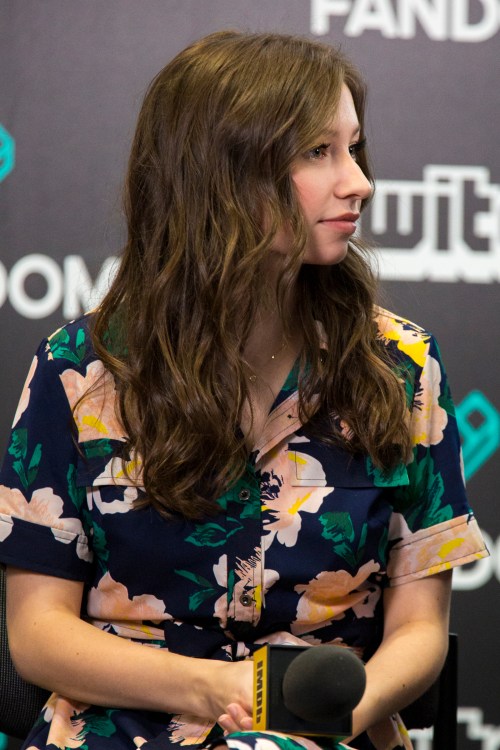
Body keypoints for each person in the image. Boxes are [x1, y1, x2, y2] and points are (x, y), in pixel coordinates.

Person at [0, 30, 488, 750]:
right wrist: (219, 690)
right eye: (318, 152)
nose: (359, 181)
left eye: (354, 149)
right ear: (222, 175)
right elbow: (37, 634)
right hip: (120, 730)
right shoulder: (81, 367)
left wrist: (325, 717)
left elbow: (419, 630)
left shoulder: (401, 366)